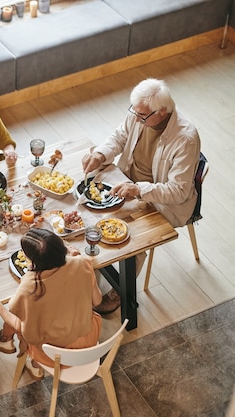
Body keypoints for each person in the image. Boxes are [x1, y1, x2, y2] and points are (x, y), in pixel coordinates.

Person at [82, 78, 201, 313]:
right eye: (134, 113)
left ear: (163, 111)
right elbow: (118, 137)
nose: (137, 119)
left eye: (143, 116)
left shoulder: (185, 138)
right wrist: (100, 154)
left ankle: (120, 291)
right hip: (127, 182)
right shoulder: (140, 113)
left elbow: (178, 191)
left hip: (161, 200)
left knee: (132, 236)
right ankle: (89, 270)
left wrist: (138, 190)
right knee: (87, 209)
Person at [0, 229, 103, 379]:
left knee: (22, 318)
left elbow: (20, 327)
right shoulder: (82, 262)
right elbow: (97, 301)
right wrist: (76, 259)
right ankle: (6, 340)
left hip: (55, 356)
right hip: (89, 340)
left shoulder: (30, 286)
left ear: (34, 261)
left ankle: (33, 362)